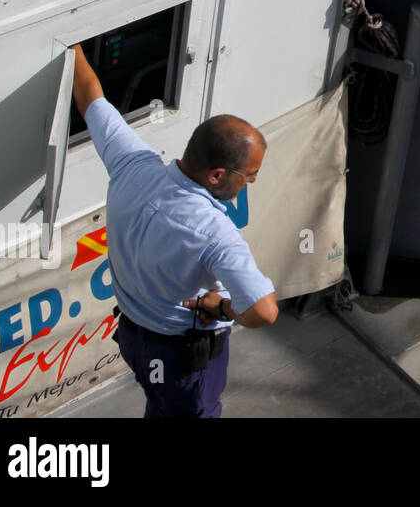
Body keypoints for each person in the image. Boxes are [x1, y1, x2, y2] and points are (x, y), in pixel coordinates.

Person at [69, 44, 278, 418]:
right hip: (183, 359)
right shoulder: (217, 235)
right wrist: (224, 307)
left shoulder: (131, 165)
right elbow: (264, 311)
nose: (252, 182)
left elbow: (90, 98)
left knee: (160, 403)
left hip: (134, 339)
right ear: (217, 175)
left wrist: (70, 45)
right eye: (250, 176)